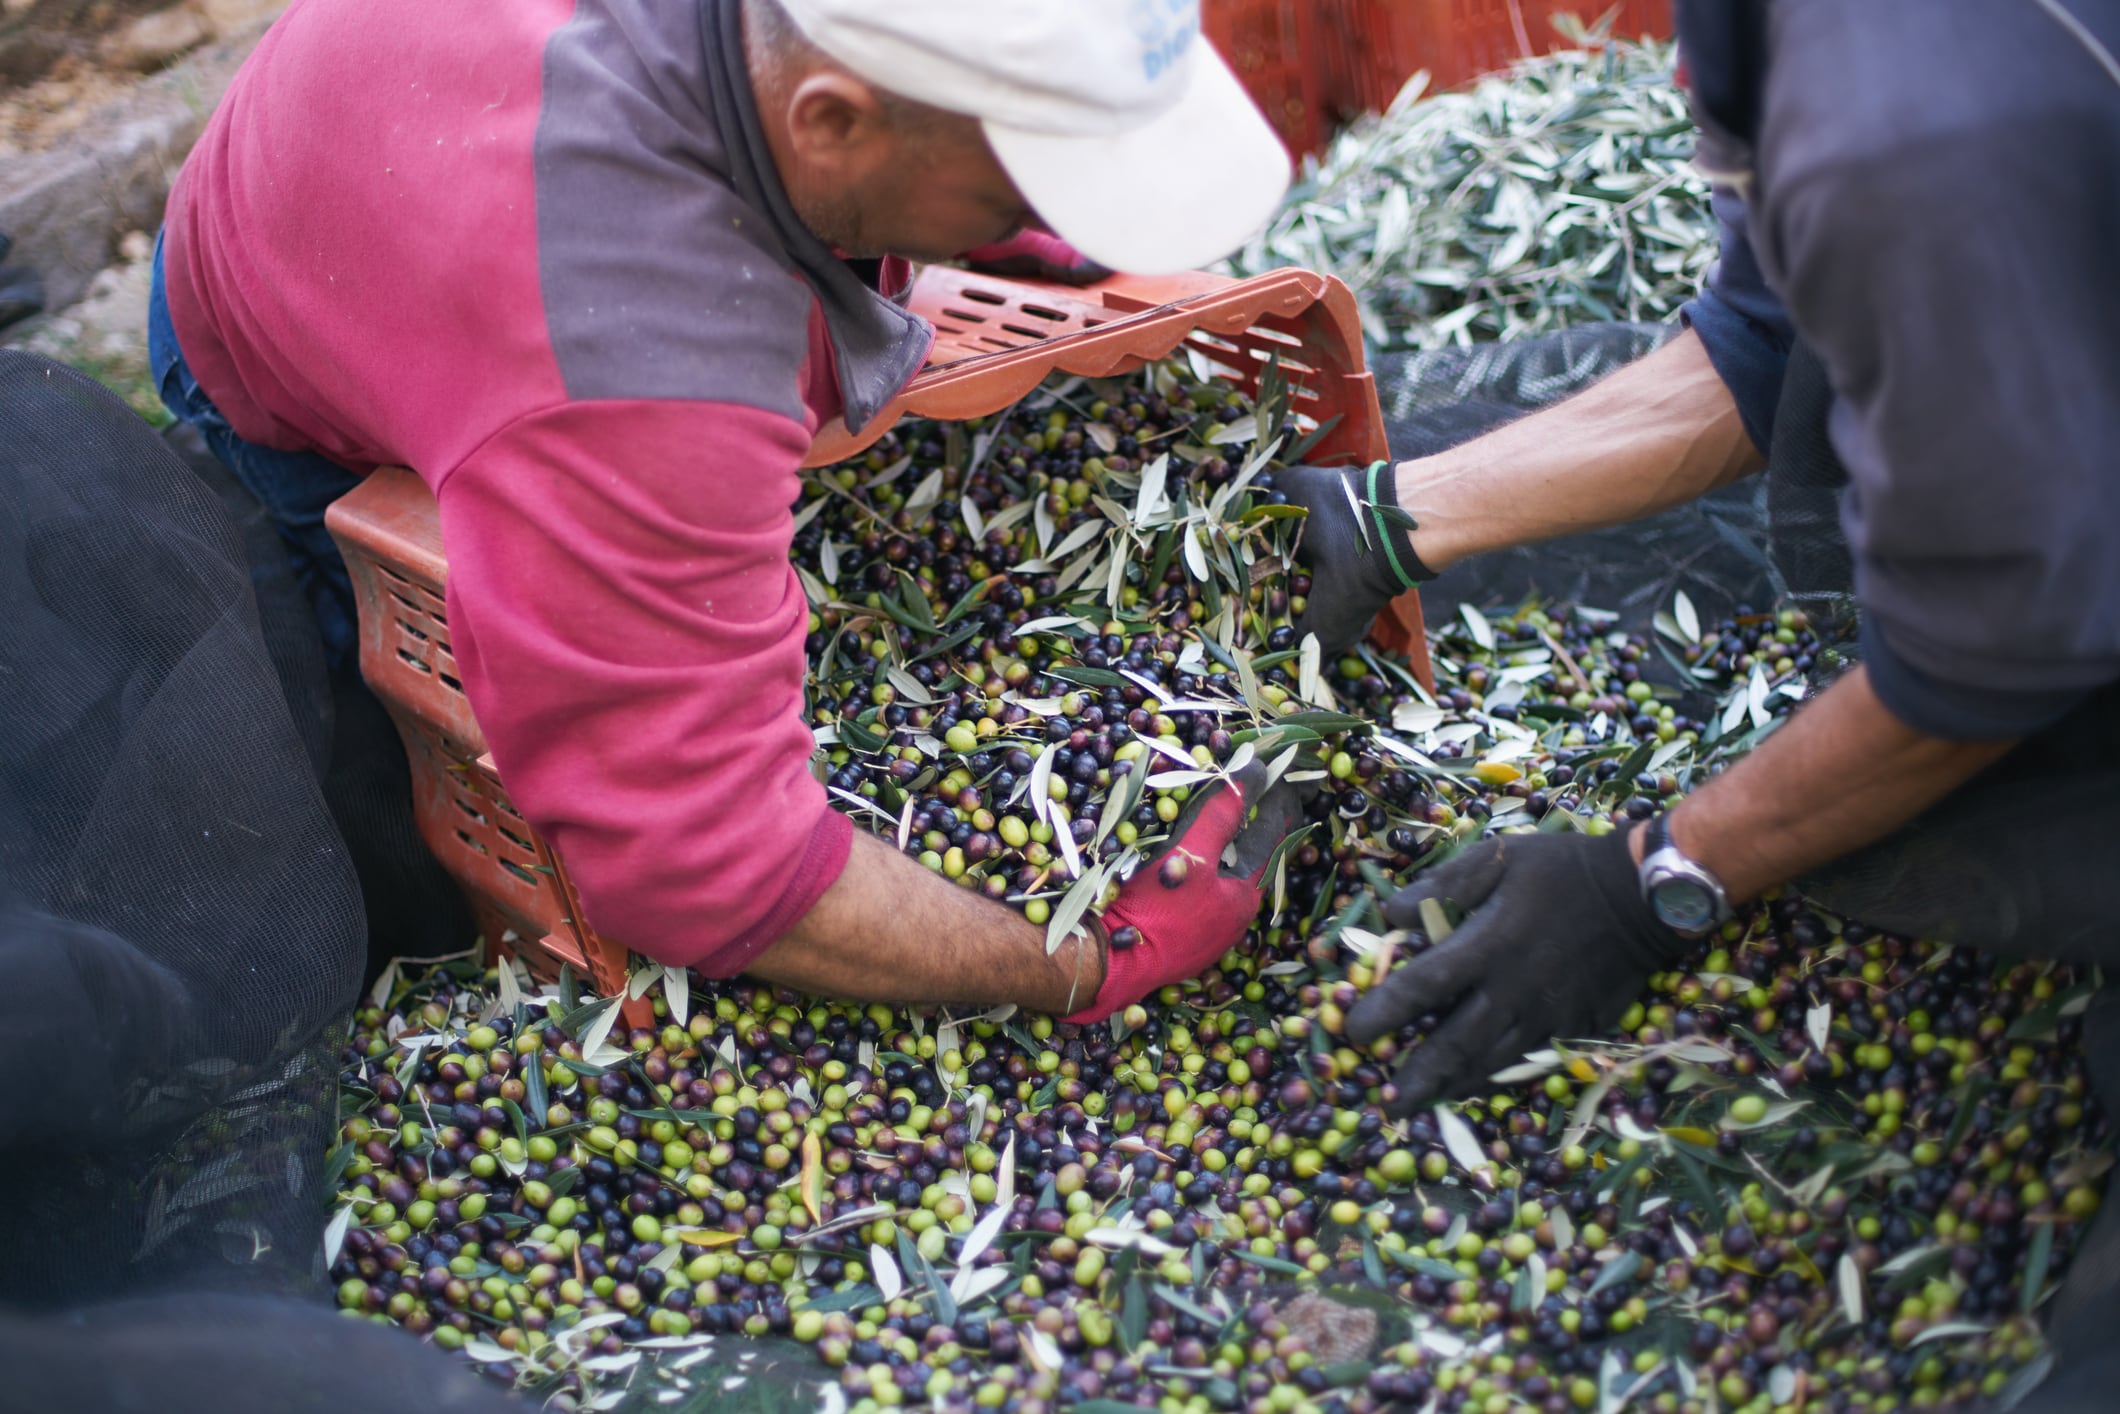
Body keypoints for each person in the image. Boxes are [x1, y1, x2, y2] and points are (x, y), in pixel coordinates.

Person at [149, 0, 1301, 1023]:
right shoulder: (634, 347)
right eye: (1018, 179)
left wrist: (991, 214)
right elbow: (695, 867)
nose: (1038, 211)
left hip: (386, 135)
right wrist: (1077, 963)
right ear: (831, 123)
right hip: (282, 315)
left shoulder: (778, 58)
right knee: (369, 741)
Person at [1281, 1, 2120, 1405]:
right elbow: (1765, 338)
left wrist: (1654, 880)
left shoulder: (1911, 116)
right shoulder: (1818, 52)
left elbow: (2001, 643)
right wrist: (1390, 514)